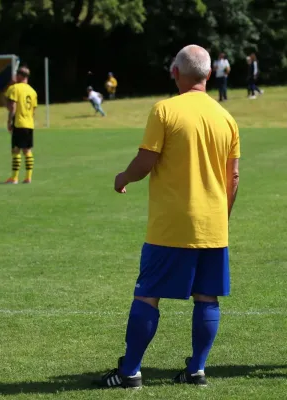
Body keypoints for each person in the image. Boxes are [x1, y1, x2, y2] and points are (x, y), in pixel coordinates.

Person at [99, 44, 240, 389]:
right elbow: (233, 177)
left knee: (148, 294)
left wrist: (122, 178)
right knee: (207, 297)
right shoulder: (227, 118)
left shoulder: (164, 110)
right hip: (213, 225)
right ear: (210, 75)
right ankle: (197, 370)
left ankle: (130, 371)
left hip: (172, 225)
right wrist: (222, 216)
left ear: (175, 73)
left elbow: (146, 162)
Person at [5, 67, 37, 184]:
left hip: (19, 122)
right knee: (27, 150)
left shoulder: (15, 88)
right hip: (29, 123)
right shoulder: (33, 91)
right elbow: (33, 110)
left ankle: (14, 177)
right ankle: (28, 177)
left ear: (19, 76)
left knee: (16, 150)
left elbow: (12, 106)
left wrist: (9, 121)